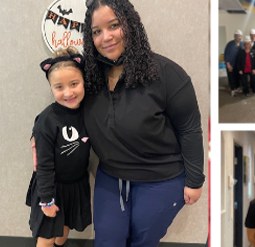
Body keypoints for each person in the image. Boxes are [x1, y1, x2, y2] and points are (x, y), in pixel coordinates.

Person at [75, 0, 204, 246]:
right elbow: (65, 108)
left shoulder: (167, 74)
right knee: (107, 241)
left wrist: (195, 181)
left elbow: (189, 129)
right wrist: (43, 131)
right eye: (97, 31)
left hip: (161, 178)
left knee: (142, 241)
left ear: (130, 24)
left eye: (114, 25)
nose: (106, 37)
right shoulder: (89, 78)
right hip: (111, 177)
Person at [26, 47, 92, 247]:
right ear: (51, 88)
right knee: (46, 236)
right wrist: (46, 199)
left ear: (83, 82)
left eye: (74, 84)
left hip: (76, 185)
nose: (68, 92)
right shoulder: (47, 120)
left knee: (64, 230)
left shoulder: (89, 110)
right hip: (51, 188)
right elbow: (44, 165)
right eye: (59, 87)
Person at [224, 29, 243, 96]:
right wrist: (228, 64)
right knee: (231, 77)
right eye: (237, 36)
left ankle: (237, 88)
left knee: (237, 77)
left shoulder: (242, 44)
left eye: (240, 36)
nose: (239, 37)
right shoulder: (230, 44)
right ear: (234, 36)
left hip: (238, 65)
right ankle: (232, 89)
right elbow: (226, 54)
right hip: (231, 64)